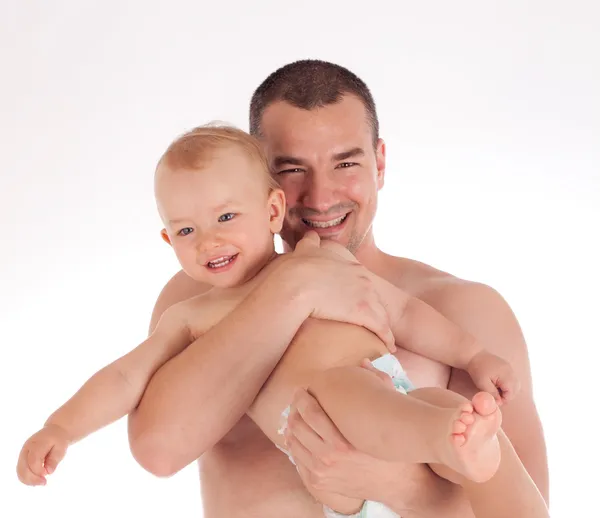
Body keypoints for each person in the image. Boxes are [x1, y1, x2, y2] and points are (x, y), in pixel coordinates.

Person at [17, 126, 546, 518]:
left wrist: (473, 356)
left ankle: (463, 448)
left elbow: (404, 313)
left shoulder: (328, 264)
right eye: (185, 230)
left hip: (391, 402)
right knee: (345, 389)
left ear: (272, 211)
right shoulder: (191, 314)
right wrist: (60, 428)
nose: (209, 241)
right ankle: (445, 437)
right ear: (167, 240)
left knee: (450, 415)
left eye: (226, 217)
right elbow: (124, 378)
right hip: (325, 449)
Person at [128, 60, 549, 517]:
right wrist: (297, 288)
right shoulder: (197, 299)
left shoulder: (462, 310)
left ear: (380, 163)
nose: (321, 196)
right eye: (291, 170)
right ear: (258, 180)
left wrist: (396, 485)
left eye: (345, 163)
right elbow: (159, 450)